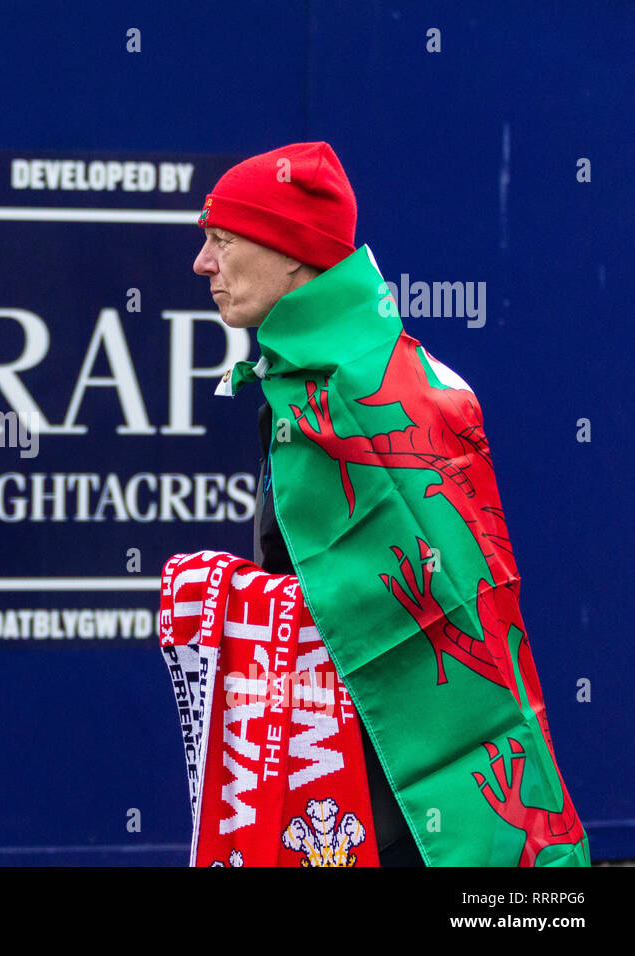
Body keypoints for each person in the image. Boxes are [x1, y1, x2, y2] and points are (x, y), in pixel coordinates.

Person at [187, 141, 587, 867]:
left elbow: (464, 605)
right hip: (330, 758)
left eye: (221, 239)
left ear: (289, 252)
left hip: (391, 795)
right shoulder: (303, 383)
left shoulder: (377, 393)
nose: (203, 264)